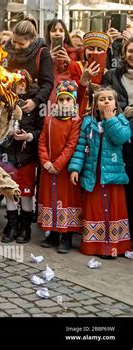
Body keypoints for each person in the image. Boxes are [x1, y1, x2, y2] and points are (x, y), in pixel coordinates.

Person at [0, 18, 54, 244]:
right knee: (8, 173)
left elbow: (47, 82)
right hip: (11, 107)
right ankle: (11, 226)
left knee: (26, 173)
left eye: (21, 44)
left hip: (33, 112)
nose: (16, 47)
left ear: (30, 41)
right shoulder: (8, 51)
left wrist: (35, 101)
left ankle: (25, 226)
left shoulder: (43, 53)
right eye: (14, 42)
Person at [68, 86, 131, 258]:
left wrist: (110, 119)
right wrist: (75, 168)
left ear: (116, 104)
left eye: (110, 99)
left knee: (112, 210)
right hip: (93, 175)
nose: (106, 102)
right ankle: (95, 246)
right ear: (95, 105)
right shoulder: (88, 123)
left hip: (112, 175)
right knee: (95, 209)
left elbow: (121, 138)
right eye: (102, 99)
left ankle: (113, 246)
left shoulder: (121, 120)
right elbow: (81, 147)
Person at [37, 81, 82, 253]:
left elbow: (72, 144)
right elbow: (42, 141)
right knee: (51, 199)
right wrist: (46, 161)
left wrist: (58, 164)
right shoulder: (49, 119)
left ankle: (67, 236)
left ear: (73, 102)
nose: (64, 103)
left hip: (64, 169)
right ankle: (53, 233)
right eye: (61, 100)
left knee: (66, 200)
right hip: (49, 168)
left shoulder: (75, 121)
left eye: (67, 100)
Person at [102, 37, 133, 234]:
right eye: (130, 51)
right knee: (124, 185)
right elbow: (105, 100)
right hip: (119, 137)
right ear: (124, 53)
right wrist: (125, 110)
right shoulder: (112, 75)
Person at [45, 19, 83, 103]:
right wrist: (47, 60)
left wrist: (70, 61)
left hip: (69, 93)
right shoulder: (43, 52)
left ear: (65, 34)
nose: (57, 33)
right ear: (48, 34)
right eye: (54, 30)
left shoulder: (75, 51)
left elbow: (82, 73)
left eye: (61, 30)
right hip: (50, 92)